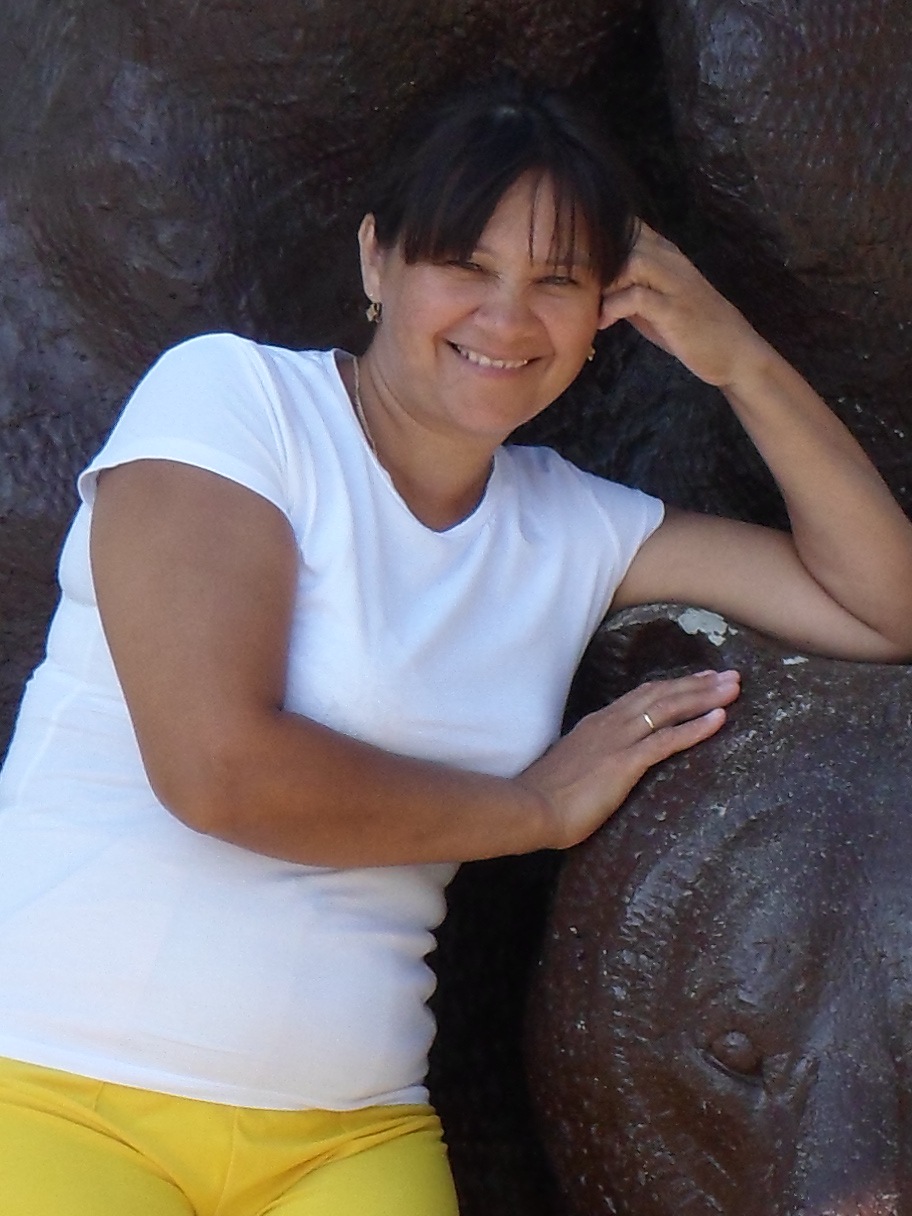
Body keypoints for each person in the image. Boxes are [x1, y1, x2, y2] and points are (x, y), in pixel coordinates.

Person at [1, 74, 911, 1216]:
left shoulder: (573, 526)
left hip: (347, 1130)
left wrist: (739, 360)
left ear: (607, 313)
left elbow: (883, 608)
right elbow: (219, 772)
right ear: (377, 261)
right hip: (56, 1085)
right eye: (465, 265)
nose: (508, 319)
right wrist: (533, 809)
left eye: (558, 280)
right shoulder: (236, 402)